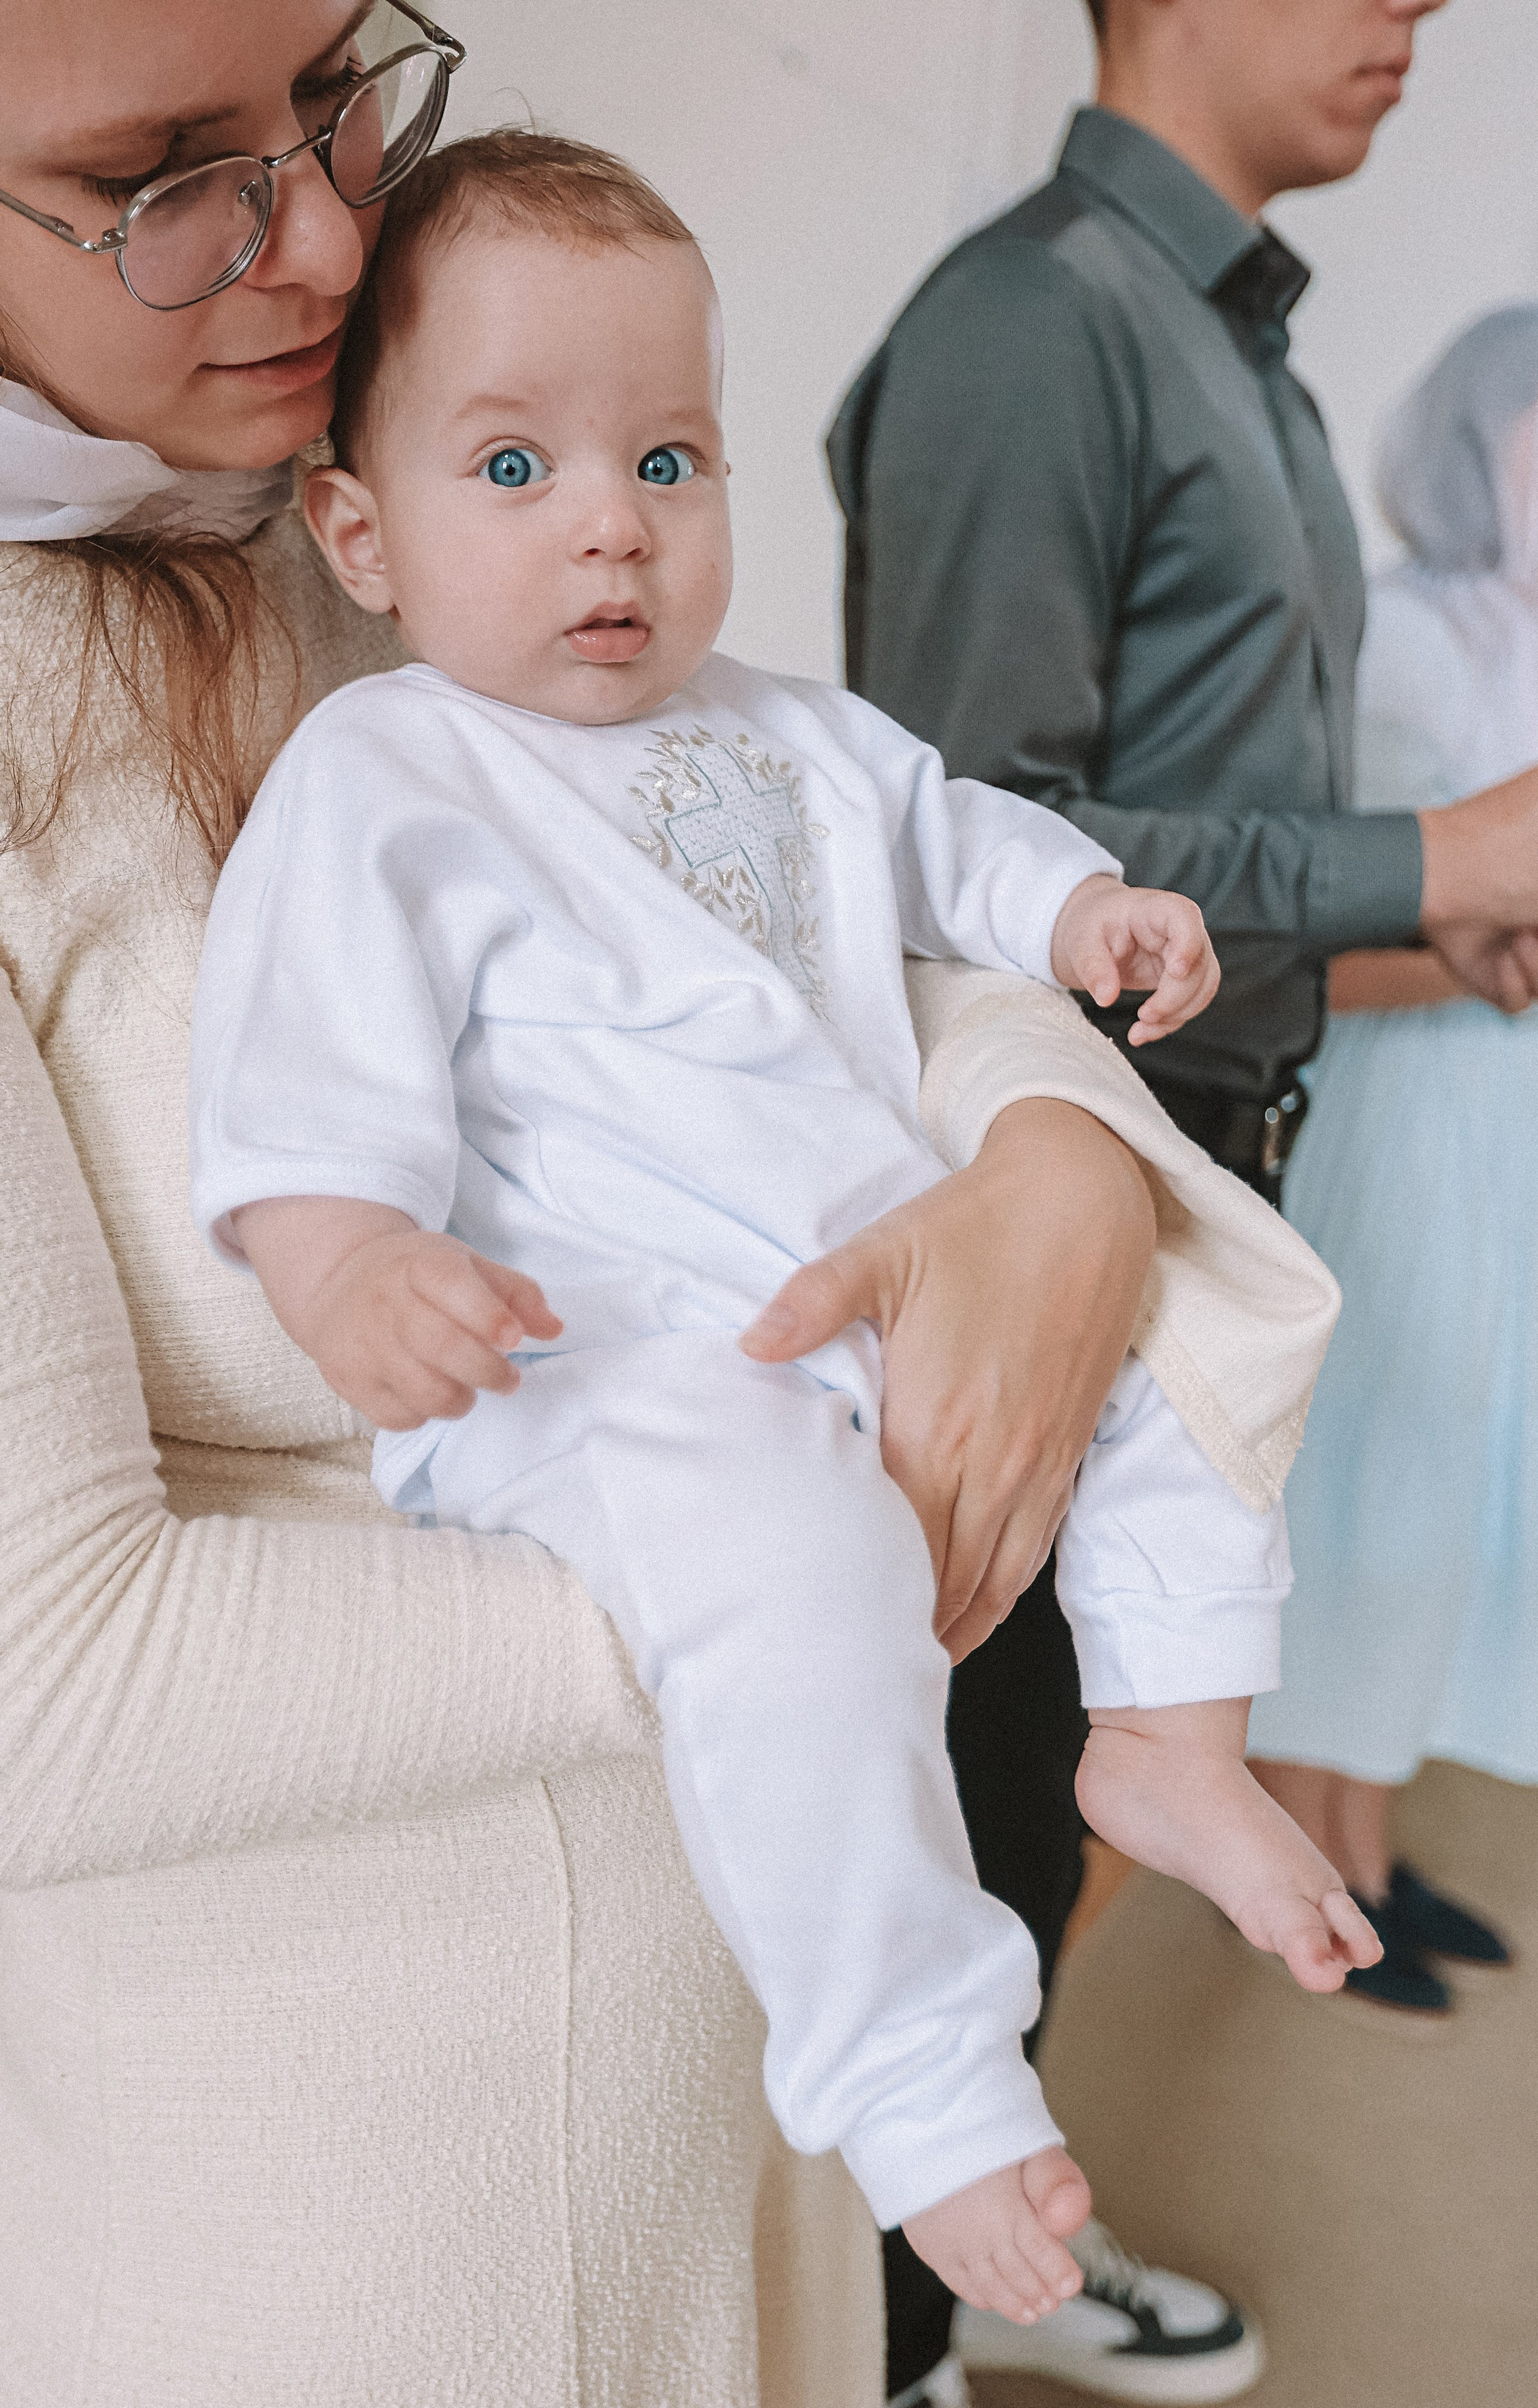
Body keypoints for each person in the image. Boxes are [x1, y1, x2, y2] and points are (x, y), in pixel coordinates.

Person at [0, 6, 1268, 2401]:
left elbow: (791, 913)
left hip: (730, 2081)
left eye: (347, 86)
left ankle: (1173, 1748)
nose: (332, 230)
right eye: (168, 170)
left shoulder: (428, 486)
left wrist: (1058, 1168)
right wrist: (802, 1562)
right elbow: (28, 1703)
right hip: (321, 2233)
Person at [186, 130, 1374, 2330]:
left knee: (1198, 1323)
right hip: (611, 1365)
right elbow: (295, 1092)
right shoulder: (390, 777)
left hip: (874, 1281)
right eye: (518, 465)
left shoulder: (787, 736)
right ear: (359, 531)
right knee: (789, 1569)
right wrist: (356, 1271)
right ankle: (927, 2087)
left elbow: (960, 842)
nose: (613, 523)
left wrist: (1081, 911)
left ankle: (1176, 1740)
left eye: (668, 453)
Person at [827, 0, 1538, 2399]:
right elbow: (966, 851)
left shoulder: (1241, 350)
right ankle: (899, 2339)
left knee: (1041, 1815)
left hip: (1208, 1175)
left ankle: (973, 2275)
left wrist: (1419, 915)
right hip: (1065, 1206)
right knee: (978, 1827)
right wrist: (1424, 852)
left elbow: (1168, 812)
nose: (1414, 14)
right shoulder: (1040, 322)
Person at [1248, 307, 1538, 2015]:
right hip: (1400, 1108)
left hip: (1502, 1119)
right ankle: (1305, 1857)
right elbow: (1342, 913)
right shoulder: (1409, 636)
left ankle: (1363, 1832)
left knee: (1450, 1488)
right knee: (1363, 1482)